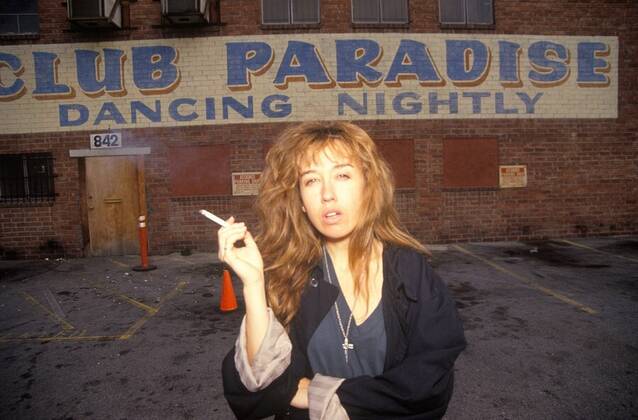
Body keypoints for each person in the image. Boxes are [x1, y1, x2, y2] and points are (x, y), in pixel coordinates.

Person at [218, 121, 466, 419]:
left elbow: (429, 385)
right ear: (300, 202)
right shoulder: (291, 276)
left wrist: (318, 394)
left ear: (368, 186)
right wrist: (255, 284)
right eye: (311, 180)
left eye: (343, 175)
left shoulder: (410, 272)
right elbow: (259, 385)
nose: (327, 194)